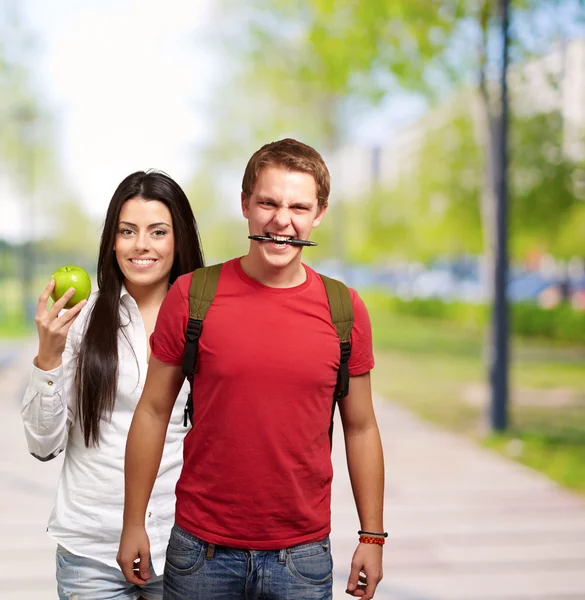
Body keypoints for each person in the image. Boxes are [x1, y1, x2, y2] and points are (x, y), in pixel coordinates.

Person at [117, 139, 385, 600]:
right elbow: (153, 411)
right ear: (246, 204)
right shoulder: (192, 295)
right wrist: (133, 523)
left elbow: (360, 427)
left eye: (299, 206)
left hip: (301, 558)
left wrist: (372, 537)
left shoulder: (344, 308)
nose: (283, 220)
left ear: (319, 213)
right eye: (268, 202)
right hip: (200, 552)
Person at [21, 170, 204, 600]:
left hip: (185, 546)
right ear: (112, 240)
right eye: (128, 231)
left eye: (158, 231)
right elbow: (43, 444)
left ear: (178, 240)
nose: (141, 245)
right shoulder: (81, 321)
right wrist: (48, 355)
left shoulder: (206, 321)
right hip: (92, 549)